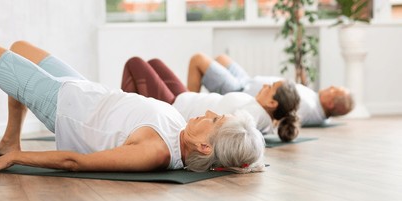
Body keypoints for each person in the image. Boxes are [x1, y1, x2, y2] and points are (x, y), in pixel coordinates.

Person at [0, 37, 266, 173]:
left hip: (61, 104)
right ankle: (9, 137)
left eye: (216, 119)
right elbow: (240, 157)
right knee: (19, 46)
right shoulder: (183, 131)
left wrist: (19, 158)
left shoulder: (156, 151)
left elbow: (77, 162)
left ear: (205, 145)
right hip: (83, 88)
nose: (208, 113)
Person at [122, 56, 300, 142]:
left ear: (272, 103)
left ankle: (124, 124)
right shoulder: (261, 113)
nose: (264, 86)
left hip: (175, 106)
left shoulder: (255, 115)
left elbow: (236, 132)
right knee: (154, 63)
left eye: (270, 87)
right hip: (185, 97)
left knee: (135, 63)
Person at [188, 53, 354, 126]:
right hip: (248, 81)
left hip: (242, 91)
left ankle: (189, 101)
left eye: (334, 90)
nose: (331, 87)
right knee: (221, 58)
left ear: (331, 103)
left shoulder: (309, 109)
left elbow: (281, 116)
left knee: (198, 59)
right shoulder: (319, 109)